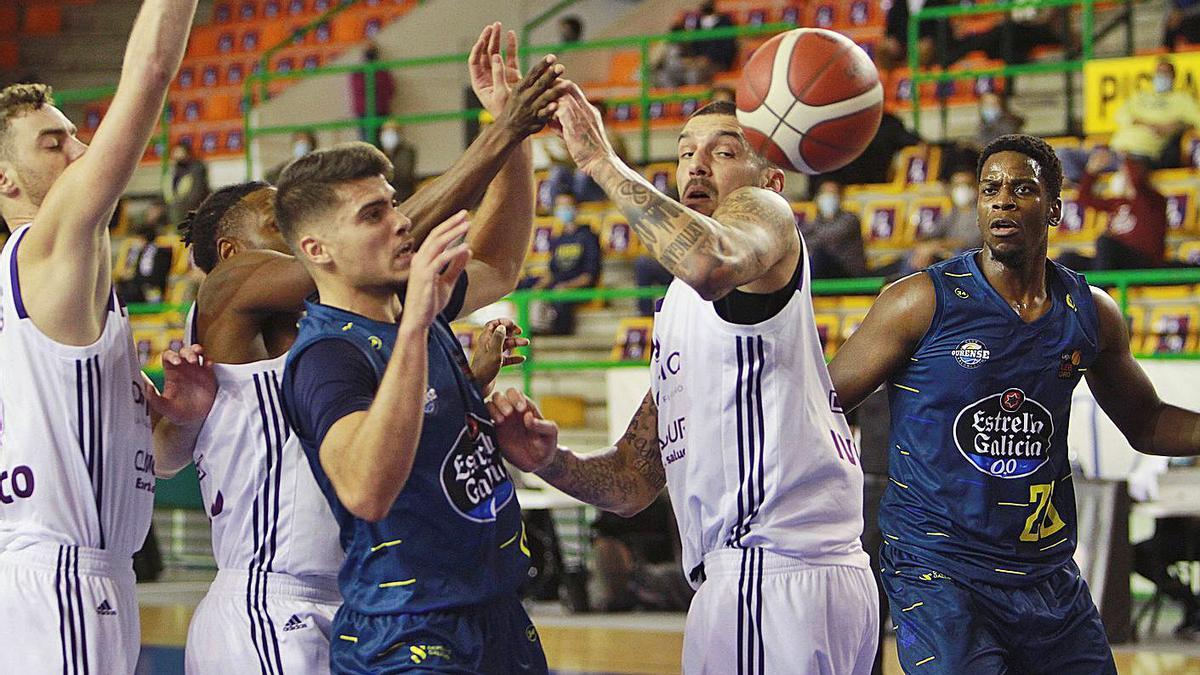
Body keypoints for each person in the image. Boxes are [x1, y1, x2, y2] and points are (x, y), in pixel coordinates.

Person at [489, 94, 878, 673]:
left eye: (723, 151)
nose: (697, 165)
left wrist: (600, 161)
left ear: (771, 177)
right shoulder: (678, 305)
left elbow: (708, 261)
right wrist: (549, 461)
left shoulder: (762, 217)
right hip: (794, 580)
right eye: (686, 151)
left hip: (767, 573)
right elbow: (632, 483)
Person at [826, 134, 1200, 673]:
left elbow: (1148, 421)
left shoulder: (1090, 312)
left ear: (1054, 208)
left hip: (1045, 573)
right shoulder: (917, 301)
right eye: (990, 189)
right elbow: (824, 405)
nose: (1002, 200)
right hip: (939, 569)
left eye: (1022, 189)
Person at [278, 26, 568, 672]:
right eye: (372, 215)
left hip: (495, 607)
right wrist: (417, 326)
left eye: (392, 204)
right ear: (317, 250)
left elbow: (500, 260)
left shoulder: (411, 301)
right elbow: (365, 489)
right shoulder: (327, 355)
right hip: (408, 630)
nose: (400, 220)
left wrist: (510, 131)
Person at [0, 2, 219, 671]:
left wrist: (178, 425)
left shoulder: (59, 286)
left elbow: (155, 462)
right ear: (5, 181)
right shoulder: (48, 248)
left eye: (74, 134)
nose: (81, 149)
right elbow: (150, 71)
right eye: (54, 141)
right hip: (62, 578)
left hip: (68, 571)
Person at [1059, 58, 1200, 182]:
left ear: (1173, 76)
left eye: (1165, 73)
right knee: (1063, 154)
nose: (1161, 77)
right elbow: (1121, 115)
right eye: (1158, 73)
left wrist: (1180, 125)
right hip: (1113, 151)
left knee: (1117, 172)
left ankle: (1085, 191)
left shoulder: (1182, 100)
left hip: (1138, 158)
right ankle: (1079, 190)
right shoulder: (1140, 97)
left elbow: (1197, 120)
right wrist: (1147, 123)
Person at [1062, 149, 1169, 270]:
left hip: (1143, 261)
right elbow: (1083, 199)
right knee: (1068, 259)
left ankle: (1102, 287)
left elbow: (1138, 182)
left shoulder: (1154, 200)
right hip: (1114, 259)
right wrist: (1091, 171)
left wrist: (1124, 156)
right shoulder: (1118, 202)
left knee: (1105, 242)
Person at [533, 193, 601, 335]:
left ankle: (560, 333)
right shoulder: (557, 239)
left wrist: (567, 286)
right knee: (526, 286)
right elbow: (552, 272)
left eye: (567, 205)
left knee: (560, 295)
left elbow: (589, 275)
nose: (563, 210)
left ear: (576, 208)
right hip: (558, 284)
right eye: (560, 206)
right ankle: (533, 328)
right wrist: (537, 287)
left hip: (579, 286)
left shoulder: (588, 236)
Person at [804, 179, 867, 279]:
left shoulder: (850, 219)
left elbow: (830, 237)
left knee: (819, 254)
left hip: (848, 273)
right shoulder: (815, 221)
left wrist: (812, 236)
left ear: (840, 198)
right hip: (823, 271)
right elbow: (803, 240)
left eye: (832, 194)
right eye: (824, 193)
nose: (828, 198)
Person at [350, 41, 396, 141]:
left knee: (383, 143)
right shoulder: (358, 72)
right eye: (368, 50)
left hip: (381, 112)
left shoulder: (382, 71)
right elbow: (359, 89)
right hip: (364, 114)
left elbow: (390, 90)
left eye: (372, 50)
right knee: (367, 145)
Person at [164, 139, 210, 226]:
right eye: (174, 152)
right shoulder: (174, 170)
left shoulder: (197, 168)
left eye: (179, 151)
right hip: (176, 207)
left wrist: (184, 206)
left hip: (192, 208)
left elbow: (196, 192)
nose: (176, 154)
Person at [377, 119, 417, 202]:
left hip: (404, 197)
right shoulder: (378, 152)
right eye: (386, 132)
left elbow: (403, 174)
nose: (388, 136)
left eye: (392, 132)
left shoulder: (407, 151)